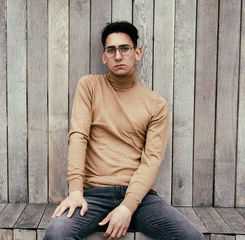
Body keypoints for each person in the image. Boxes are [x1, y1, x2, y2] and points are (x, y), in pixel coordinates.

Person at [44, 21, 204, 240]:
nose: (118, 56)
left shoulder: (156, 104)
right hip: (92, 195)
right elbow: (78, 136)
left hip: (139, 197)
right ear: (104, 57)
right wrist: (75, 192)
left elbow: (151, 161)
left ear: (137, 53)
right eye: (111, 50)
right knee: (56, 233)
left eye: (124, 49)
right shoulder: (89, 86)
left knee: (193, 238)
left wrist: (127, 207)